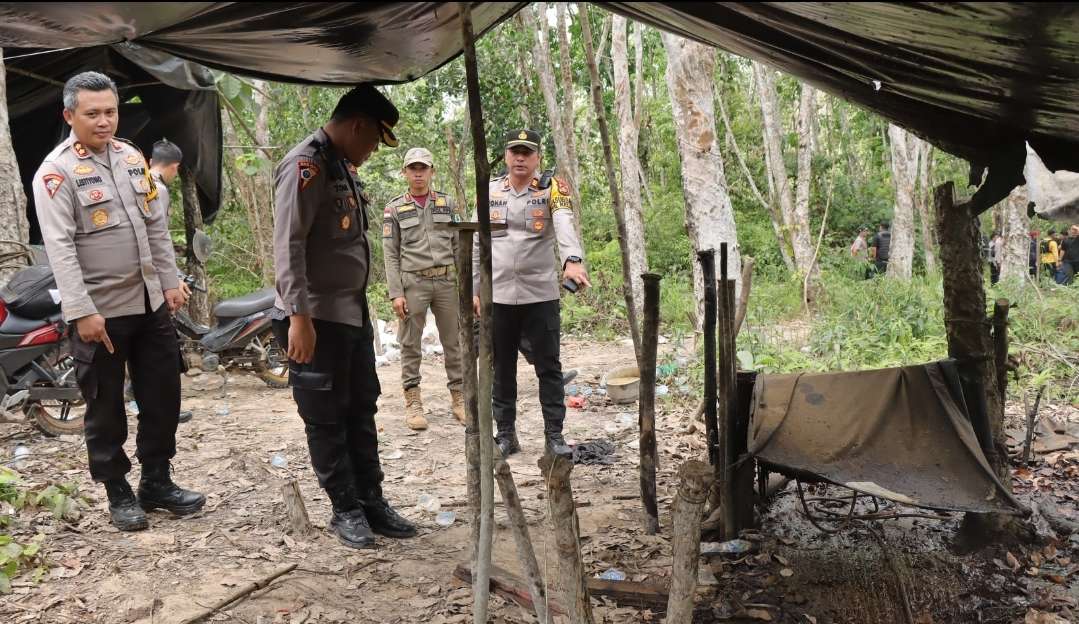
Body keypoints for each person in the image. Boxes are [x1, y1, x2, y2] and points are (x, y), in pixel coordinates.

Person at [33, 71, 204, 531]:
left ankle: (157, 481)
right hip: (101, 314)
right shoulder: (56, 173)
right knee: (106, 406)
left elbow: (154, 225)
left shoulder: (131, 156)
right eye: (93, 114)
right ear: (70, 115)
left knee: (163, 395)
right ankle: (117, 491)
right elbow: (60, 248)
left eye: (110, 111)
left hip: (150, 304)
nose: (104, 121)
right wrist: (82, 311)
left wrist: (170, 281)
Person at [271, 84, 415, 549]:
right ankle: (345, 507)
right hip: (315, 317)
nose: (373, 150)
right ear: (357, 125)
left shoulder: (340, 165)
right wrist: (298, 316)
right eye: (374, 140)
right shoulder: (306, 165)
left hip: (350, 314)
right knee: (326, 416)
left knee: (361, 408)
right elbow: (288, 245)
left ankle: (372, 500)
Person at [472, 129, 590, 459]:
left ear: (538, 157)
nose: (520, 158)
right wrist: (474, 288)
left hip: (540, 294)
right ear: (507, 156)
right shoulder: (490, 190)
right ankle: (506, 434)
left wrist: (573, 260)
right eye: (515, 152)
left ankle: (554, 435)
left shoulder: (552, 189)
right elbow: (474, 240)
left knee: (549, 368)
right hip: (500, 296)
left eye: (527, 152)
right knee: (502, 368)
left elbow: (565, 223)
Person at [382, 147, 465, 430]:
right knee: (410, 344)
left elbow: (457, 244)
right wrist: (396, 293)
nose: (418, 173)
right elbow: (390, 254)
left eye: (423, 168)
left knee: (453, 342)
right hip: (412, 282)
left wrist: (464, 283)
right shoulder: (394, 208)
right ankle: (413, 402)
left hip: (445, 281)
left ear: (431, 171)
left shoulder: (446, 203)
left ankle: (459, 398)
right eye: (413, 168)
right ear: (405, 172)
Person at [147, 139, 193, 424]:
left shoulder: (136, 180)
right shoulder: (158, 189)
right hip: (154, 282)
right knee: (162, 351)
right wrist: (172, 280)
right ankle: (165, 410)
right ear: (174, 167)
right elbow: (159, 239)